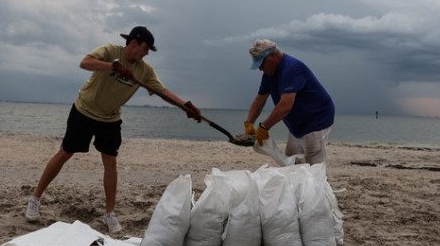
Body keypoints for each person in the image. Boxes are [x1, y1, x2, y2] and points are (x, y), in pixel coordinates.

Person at [25, 26, 201, 234]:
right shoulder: (110, 51)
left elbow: (161, 91)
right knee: (65, 152)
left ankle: (110, 214)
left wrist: (185, 107)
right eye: (145, 48)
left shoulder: (144, 71)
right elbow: (85, 63)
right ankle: (35, 199)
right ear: (134, 43)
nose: (146, 54)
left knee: (110, 161)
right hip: (84, 110)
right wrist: (113, 67)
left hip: (110, 118)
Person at [244, 39, 335, 165]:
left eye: (262, 64)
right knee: (292, 160)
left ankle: (316, 184)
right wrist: (249, 122)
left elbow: (285, 106)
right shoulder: (269, 73)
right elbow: (260, 99)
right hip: (297, 124)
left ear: (273, 56)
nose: (260, 69)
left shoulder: (291, 68)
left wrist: (264, 127)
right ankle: (297, 185)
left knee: (313, 163)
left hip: (316, 118)